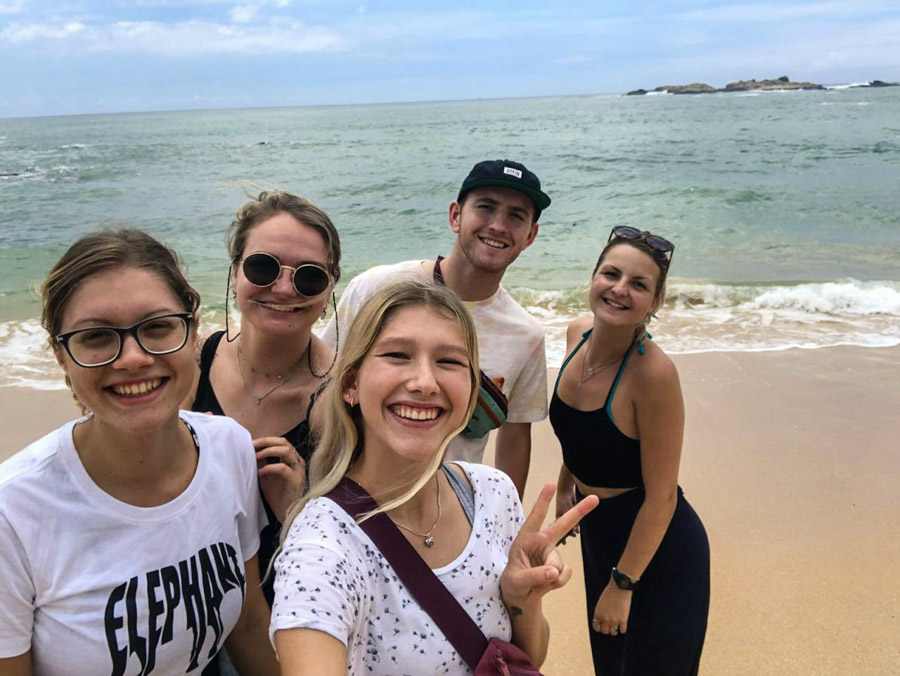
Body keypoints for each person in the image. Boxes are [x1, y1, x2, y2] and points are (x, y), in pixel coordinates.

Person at [271, 280, 598, 675]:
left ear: (472, 390)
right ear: (351, 384)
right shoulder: (324, 545)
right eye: (397, 355)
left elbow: (526, 658)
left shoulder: (492, 493)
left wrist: (522, 601)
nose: (425, 383)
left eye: (449, 362)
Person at [0, 229, 278, 675]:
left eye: (157, 327)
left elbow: (246, 624)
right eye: (97, 337)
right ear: (60, 355)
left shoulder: (229, 446)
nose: (132, 358)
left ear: (192, 333)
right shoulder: (13, 512)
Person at [321, 159, 550, 496]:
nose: (499, 226)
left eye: (516, 216)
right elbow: (324, 378)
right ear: (455, 215)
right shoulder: (376, 287)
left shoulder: (526, 334)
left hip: (449, 506)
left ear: (530, 235)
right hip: (352, 489)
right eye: (486, 208)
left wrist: (503, 524)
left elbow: (515, 439)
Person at [551, 227, 710, 675]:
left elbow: (662, 498)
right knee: (611, 663)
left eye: (639, 284)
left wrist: (623, 584)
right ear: (594, 277)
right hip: (600, 529)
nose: (620, 289)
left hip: (656, 548)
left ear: (655, 303)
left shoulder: (652, 375)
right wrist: (569, 491)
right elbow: (581, 432)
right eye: (611, 274)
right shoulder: (576, 335)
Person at [188, 190, 341, 607]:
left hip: (289, 609)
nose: (284, 287)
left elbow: (360, 546)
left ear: (329, 290)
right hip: (190, 605)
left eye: (309, 275)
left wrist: (297, 504)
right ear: (235, 272)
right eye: (262, 267)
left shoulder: (345, 397)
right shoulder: (189, 365)